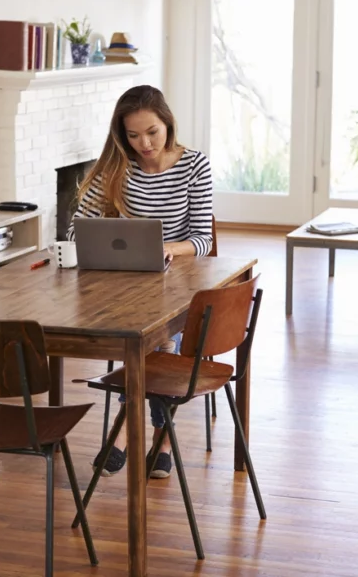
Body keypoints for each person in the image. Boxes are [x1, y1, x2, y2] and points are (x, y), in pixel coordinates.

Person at [68, 84, 213, 479]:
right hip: (122, 282)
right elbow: (77, 228)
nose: (144, 143)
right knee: (148, 341)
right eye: (132, 135)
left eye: (152, 132)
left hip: (179, 280)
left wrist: (166, 248)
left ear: (167, 123)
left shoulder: (194, 165)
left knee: (162, 339)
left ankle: (136, 434)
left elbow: (203, 238)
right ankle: (156, 438)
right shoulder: (115, 167)